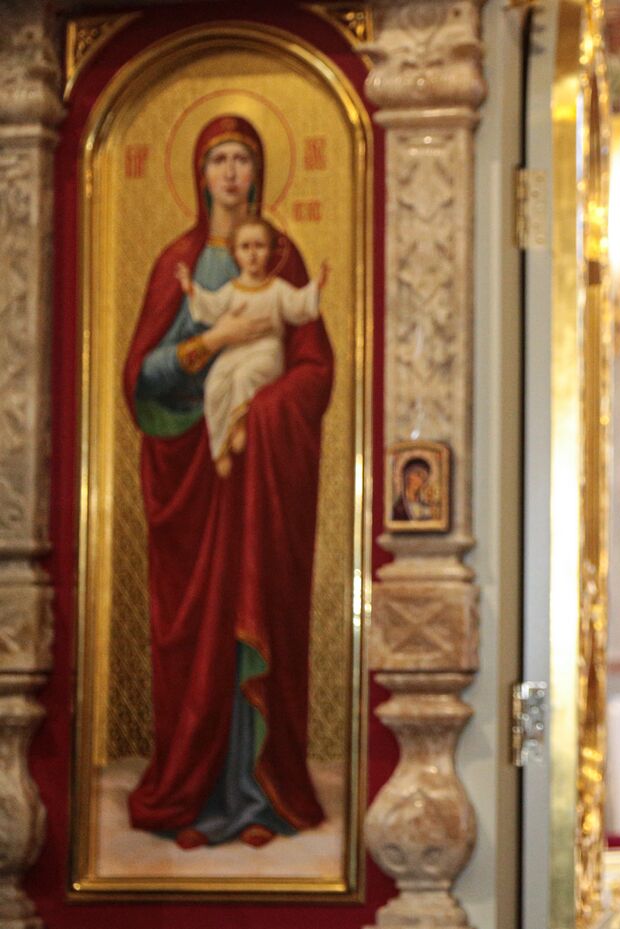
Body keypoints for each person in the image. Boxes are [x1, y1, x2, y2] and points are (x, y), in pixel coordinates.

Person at [122, 114, 331, 849]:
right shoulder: (178, 262)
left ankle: (258, 797)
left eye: (244, 157)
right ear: (200, 173)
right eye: (220, 159)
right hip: (193, 478)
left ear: (259, 171)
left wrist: (264, 411)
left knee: (257, 618)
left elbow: (315, 365)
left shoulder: (285, 256)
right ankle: (194, 798)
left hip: (260, 476)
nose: (233, 172)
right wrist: (211, 342)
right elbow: (141, 376)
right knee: (198, 634)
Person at [176, 217, 329, 476]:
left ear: (269, 251)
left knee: (245, 377)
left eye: (259, 246)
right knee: (214, 386)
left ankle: (240, 424)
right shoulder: (232, 290)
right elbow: (212, 306)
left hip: (266, 351)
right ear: (235, 253)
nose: (253, 254)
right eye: (245, 247)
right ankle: (220, 450)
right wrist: (191, 288)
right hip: (234, 351)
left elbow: (298, 305)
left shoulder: (277, 288)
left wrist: (316, 286)